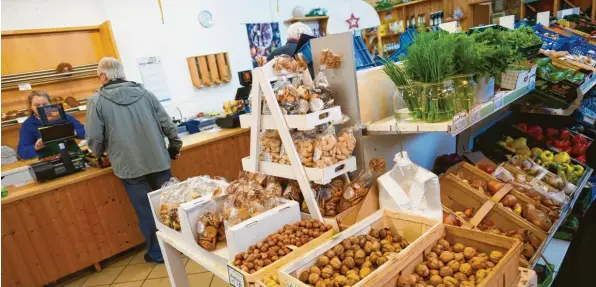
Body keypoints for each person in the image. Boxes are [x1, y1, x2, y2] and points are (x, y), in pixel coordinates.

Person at [86, 57, 182, 263]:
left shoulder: (96, 101)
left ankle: (157, 253)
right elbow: (167, 123)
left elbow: (94, 138)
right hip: (158, 160)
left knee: (146, 210)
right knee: (170, 204)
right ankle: (182, 245)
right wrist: (174, 146)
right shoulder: (146, 94)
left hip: (128, 167)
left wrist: (98, 152)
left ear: (103, 76)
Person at [17, 90, 85, 160]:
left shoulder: (63, 116)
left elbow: (85, 132)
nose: (41, 107)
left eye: (45, 104)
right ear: (31, 107)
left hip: (74, 156)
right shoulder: (28, 125)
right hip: (49, 162)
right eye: (37, 105)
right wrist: (36, 147)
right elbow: (22, 153)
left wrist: (75, 132)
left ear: (50, 104)